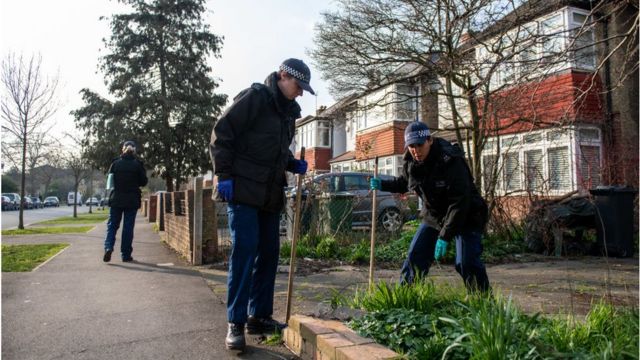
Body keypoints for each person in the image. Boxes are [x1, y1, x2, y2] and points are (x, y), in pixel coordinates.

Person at [210, 58, 312, 350]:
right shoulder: (255, 98)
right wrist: (223, 174)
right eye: (298, 85)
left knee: (269, 252)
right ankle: (236, 322)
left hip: (269, 195)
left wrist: (292, 163)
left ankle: (259, 316)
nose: (301, 93)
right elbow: (221, 132)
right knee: (245, 252)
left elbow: (274, 154)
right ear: (282, 76)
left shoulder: (288, 113)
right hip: (242, 190)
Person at [370, 121, 490, 293]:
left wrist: (445, 236)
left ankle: (482, 301)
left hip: (466, 215)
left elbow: (460, 202)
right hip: (434, 215)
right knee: (415, 256)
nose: (415, 150)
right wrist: (383, 184)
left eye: (419, 145)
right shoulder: (411, 162)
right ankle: (406, 297)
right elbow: (404, 183)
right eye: (411, 146)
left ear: (429, 141)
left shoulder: (451, 161)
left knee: (466, 262)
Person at [103, 140, 148, 263]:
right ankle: (125, 254)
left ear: (122, 150)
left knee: (112, 225)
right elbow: (144, 182)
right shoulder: (138, 165)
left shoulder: (115, 164)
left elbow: (110, 182)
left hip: (116, 199)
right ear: (134, 151)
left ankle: (108, 247)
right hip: (131, 200)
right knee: (128, 228)